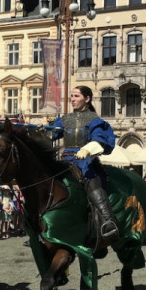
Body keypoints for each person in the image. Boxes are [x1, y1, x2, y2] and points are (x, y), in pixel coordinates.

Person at [52, 85, 118, 245]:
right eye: (71, 96)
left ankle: (109, 222)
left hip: (86, 161)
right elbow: (53, 133)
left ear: (87, 99)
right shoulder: (65, 119)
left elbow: (102, 140)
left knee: (92, 183)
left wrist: (87, 149)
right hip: (65, 160)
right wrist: (42, 130)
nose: (72, 99)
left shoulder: (94, 120)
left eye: (76, 96)